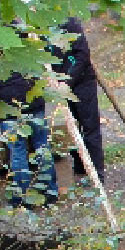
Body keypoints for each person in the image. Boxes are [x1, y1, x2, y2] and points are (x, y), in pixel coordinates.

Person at [0, 71, 58, 208]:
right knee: (42, 147)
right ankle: (50, 192)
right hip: (33, 101)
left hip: (7, 106)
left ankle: (22, 198)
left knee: (17, 154)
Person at [51, 17, 105, 183]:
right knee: (71, 126)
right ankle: (80, 167)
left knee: (90, 127)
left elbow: (82, 55)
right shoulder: (42, 26)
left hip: (82, 82)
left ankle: (96, 173)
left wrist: (67, 80)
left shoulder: (70, 23)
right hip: (61, 84)